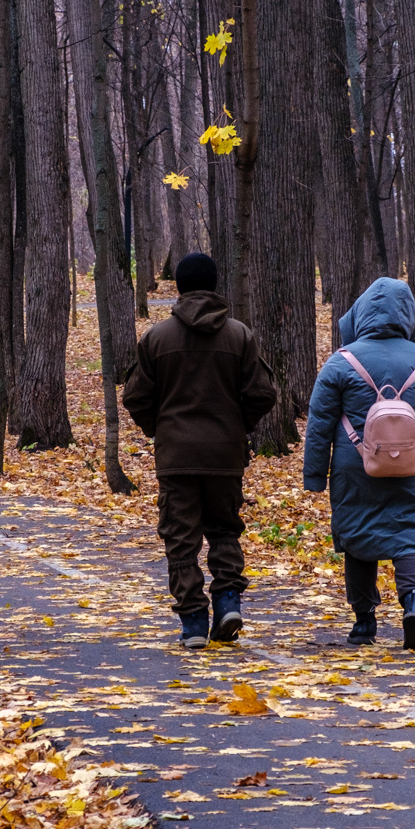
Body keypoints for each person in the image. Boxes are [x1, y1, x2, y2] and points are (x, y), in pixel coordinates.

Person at [123, 252, 277, 649]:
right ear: (213, 283)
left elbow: (137, 397)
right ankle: (228, 601)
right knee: (224, 529)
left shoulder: (157, 338)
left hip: (176, 457)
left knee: (181, 539)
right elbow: (261, 393)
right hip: (225, 455)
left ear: (178, 285)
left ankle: (193, 621)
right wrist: (238, 426)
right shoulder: (239, 335)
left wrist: (160, 430)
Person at [302, 278, 415, 649]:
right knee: (414, 533)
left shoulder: (341, 362)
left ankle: (364, 622)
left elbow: (319, 423)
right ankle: (414, 602)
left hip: (356, 464)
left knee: (358, 534)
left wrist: (314, 476)